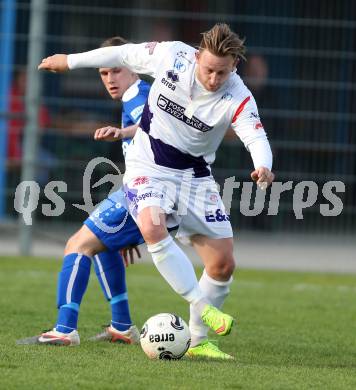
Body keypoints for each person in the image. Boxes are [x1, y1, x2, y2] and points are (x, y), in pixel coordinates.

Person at [38, 23, 275, 359]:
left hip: (195, 178)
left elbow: (255, 137)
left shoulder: (238, 96)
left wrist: (263, 165)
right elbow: (121, 52)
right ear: (197, 56)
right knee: (150, 225)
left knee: (222, 265)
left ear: (233, 67)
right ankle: (198, 304)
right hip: (147, 167)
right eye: (208, 69)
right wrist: (70, 60)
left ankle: (198, 342)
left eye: (222, 72)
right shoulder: (171, 55)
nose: (214, 78)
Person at [18, 36, 151, 346]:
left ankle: (64, 330)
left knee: (77, 245)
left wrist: (141, 209)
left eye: (115, 71)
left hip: (145, 192)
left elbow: (150, 126)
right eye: (103, 74)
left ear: (131, 66)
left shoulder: (138, 96)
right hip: (138, 192)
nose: (109, 80)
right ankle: (121, 326)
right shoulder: (135, 95)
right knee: (103, 245)